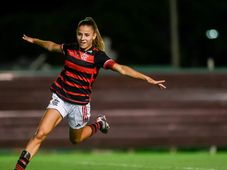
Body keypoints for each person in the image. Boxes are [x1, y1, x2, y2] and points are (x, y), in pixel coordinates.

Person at [14, 16, 166, 170]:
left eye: (86, 35)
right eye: (80, 34)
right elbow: (52, 46)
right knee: (40, 134)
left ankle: (100, 123)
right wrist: (35, 41)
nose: (82, 38)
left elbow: (121, 69)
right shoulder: (70, 48)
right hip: (60, 98)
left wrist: (147, 78)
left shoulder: (98, 56)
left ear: (93, 36)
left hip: (80, 105)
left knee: (75, 140)